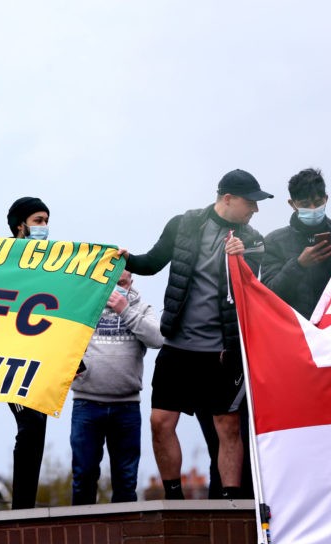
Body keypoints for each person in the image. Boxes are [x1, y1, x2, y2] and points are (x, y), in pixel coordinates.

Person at [122, 169, 273, 500]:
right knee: (161, 422)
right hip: (177, 345)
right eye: (251, 203)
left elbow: (251, 290)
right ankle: (174, 499)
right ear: (227, 199)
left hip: (222, 351)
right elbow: (151, 262)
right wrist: (125, 258)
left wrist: (242, 255)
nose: (255, 210)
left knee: (228, 427)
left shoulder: (252, 239)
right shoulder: (184, 225)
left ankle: (230, 502)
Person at [70, 270, 163, 504]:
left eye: (121, 283)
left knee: (126, 479)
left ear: (131, 283)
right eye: (110, 282)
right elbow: (59, 336)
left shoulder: (141, 308)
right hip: (87, 403)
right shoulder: (83, 304)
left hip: (127, 407)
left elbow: (158, 339)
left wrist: (125, 310)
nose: (115, 287)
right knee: (84, 475)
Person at [4, 196, 50, 509]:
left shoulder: (53, 262)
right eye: (37, 221)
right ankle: (21, 510)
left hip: (42, 360)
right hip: (9, 360)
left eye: (46, 221)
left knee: (38, 433)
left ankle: (27, 508)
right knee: (29, 428)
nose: (44, 228)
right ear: (20, 225)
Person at [262, 167, 331, 317]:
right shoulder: (275, 242)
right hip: (297, 332)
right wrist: (298, 265)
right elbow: (268, 295)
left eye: (317, 203)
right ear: (292, 204)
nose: (313, 209)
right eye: (305, 204)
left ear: (326, 199)